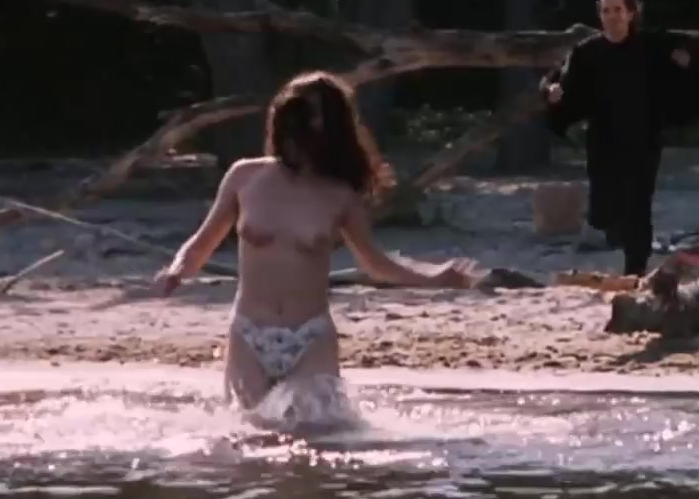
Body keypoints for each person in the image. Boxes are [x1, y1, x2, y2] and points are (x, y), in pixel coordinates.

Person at [154, 72, 477, 416]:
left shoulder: (340, 195)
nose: (302, 126)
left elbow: (375, 264)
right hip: (248, 332)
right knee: (250, 433)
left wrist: (434, 278)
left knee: (317, 434)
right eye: (296, 114)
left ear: (331, 127)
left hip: (310, 337)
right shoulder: (244, 176)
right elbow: (201, 243)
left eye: (313, 116)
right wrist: (177, 271)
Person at [541, 0, 699, 277]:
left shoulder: (651, 45)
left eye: (618, 10)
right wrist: (552, 92)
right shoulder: (587, 51)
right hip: (603, 139)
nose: (612, 16)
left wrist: (687, 55)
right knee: (604, 208)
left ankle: (635, 270)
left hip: (643, 137)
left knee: (638, 204)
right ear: (599, 15)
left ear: (631, 13)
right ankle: (615, 231)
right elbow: (553, 79)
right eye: (606, 10)